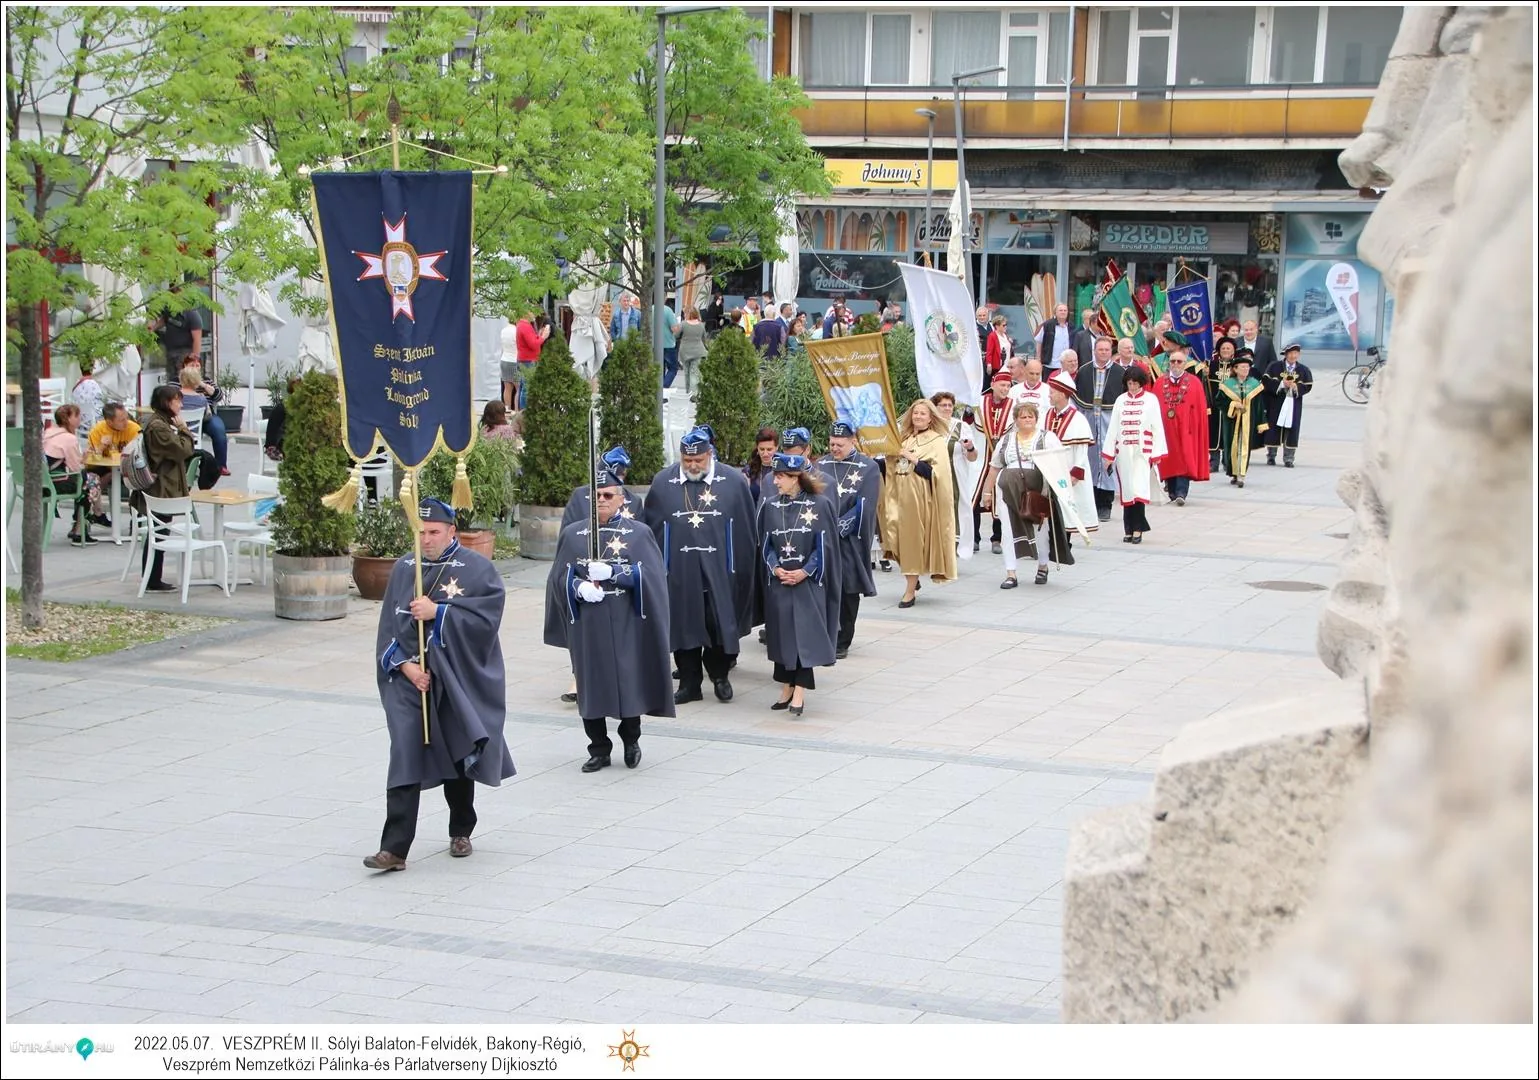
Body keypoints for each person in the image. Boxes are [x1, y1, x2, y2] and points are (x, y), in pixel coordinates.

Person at [365, 499, 516, 871]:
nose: (426, 540)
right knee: (404, 752)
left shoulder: (477, 569)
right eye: (420, 532)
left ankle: (461, 829)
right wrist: (406, 667)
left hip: (455, 678)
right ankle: (394, 849)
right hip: (409, 681)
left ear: (452, 531)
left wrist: (440, 613)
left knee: (457, 749)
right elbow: (388, 628)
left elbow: (486, 622)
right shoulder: (404, 567)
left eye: (434, 532)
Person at [544, 468, 674, 772]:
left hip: (626, 622)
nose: (601, 500)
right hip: (589, 624)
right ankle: (598, 748)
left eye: (607, 495)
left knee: (628, 681)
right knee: (590, 684)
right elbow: (559, 577)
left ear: (621, 499)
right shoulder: (573, 534)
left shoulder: (638, 533)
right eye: (596, 496)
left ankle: (631, 740)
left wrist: (616, 573)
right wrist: (578, 587)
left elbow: (652, 576)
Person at [642, 426, 759, 705]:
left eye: (698, 460)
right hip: (679, 571)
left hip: (721, 569)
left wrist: (741, 567)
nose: (693, 465)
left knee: (718, 623)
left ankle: (720, 675)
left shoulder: (732, 481)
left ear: (709, 454)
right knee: (683, 625)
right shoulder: (663, 482)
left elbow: (745, 529)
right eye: (687, 460)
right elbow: (652, 529)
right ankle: (689, 683)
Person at [757, 453, 840, 715]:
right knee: (783, 636)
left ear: (795, 478)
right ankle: (786, 686)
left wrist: (805, 572)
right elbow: (765, 544)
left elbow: (825, 545)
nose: (775, 481)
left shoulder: (820, 505)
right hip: (780, 581)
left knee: (804, 637)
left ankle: (800, 692)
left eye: (780, 477)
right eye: (775, 476)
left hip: (808, 583)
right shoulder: (770, 506)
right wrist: (775, 568)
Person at [980, 402, 1069, 587]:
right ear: (1016, 420)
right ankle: (1011, 573)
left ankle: (1042, 566)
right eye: (1023, 417)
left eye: (1030, 416)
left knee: (1040, 529)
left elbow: (1059, 464)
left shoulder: (1047, 438)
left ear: (1036, 419)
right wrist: (986, 492)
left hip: (1037, 490)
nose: (1027, 420)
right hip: (1007, 491)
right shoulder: (1006, 439)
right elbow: (995, 467)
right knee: (1007, 530)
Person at [879, 398, 957, 607]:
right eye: (915, 413)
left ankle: (910, 590)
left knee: (912, 541)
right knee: (894, 538)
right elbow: (890, 465)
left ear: (931, 418)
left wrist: (913, 459)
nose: (918, 416)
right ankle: (911, 576)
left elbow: (936, 474)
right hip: (897, 497)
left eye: (923, 413)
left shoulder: (936, 441)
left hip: (919, 500)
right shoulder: (903, 438)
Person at [816, 420, 880, 659]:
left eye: (840, 445)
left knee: (847, 588)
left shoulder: (868, 467)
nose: (834, 448)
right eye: (832, 444)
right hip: (823, 537)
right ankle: (825, 633)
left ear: (853, 441)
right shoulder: (821, 465)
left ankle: (843, 639)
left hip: (850, 540)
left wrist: (838, 528)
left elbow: (865, 505)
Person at [135, 384, 197, 592]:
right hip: (161, 486)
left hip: (164, 484)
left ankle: (153, 577)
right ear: (166, 402)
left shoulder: (160, 422)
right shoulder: (158, 426)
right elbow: (182, 450)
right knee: (158, 532)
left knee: (159, 531)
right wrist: (184, 429)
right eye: (177, 400)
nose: (180, 405)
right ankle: (152, 579)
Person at [1101, 366, 1166, 543]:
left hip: (1142, 452)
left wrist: (1156, 453)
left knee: (1139, 490)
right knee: (1128, 490)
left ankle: (1138, 529)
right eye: (1129, 383)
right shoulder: (1120, 400)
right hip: (1123, 452)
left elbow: (1157, 427)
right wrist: (1108, 455)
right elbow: (1113, 428)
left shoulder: (1151, 400)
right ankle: (1128, 529)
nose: (1132, 387)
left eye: (1135, 383)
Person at [1154, 335, 1212, 506]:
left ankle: (1181, 492)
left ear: (1185, 363)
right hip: (1166, 429)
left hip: (1187, 429)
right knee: (1168, 459)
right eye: (1173, 361)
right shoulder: (1160, 383)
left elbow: (1200, 409)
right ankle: (1172, 491)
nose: (1176, 365)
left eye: (1179, 362)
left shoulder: (1194, 383)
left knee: (1185, 458)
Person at [1076, 336, 1128, 523]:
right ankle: (1090, 502)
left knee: (1107, 459)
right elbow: (1078, 399)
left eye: (1107, 350)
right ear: (1094, 351)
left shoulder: (1120, 372)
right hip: (1089, 418)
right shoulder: (1084, 371)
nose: (1104, 353)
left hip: (1109, 419)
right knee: (1090, 460)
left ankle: (1105, 504)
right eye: (1100, 349)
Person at [929, 392, 983, 561]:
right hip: (931, 474)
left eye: (950, 405)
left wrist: (970, 447)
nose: (947, 408)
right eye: (943, 405)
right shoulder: (929, 426)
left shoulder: (961, 427)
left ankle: (952, 550)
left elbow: (972, 457)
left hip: (955, 476)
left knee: (955, 511)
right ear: (935, 408)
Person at [1045, 370, 1099, 537]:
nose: (1049, 395)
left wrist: (1076, 472)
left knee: (1068, 508)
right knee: (1052, 509)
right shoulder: (1046, 415)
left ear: (1062, 394)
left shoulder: (1078, 419)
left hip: (1068, 469)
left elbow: (1081, 450)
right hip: (1050, 469)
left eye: (1052, 392)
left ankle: (1064, 544)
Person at [42, 404, 105, 545]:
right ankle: (81, 528)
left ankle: (89, 519)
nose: (79, 418)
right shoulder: (69, 438)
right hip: (56, 483)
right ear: (68, 419)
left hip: (44, 482)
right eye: (76, 415)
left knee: (86, 481)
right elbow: (76, 467)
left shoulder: (48, 433)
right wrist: (85, 458)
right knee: (91, 481)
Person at [975, 371, 1015, 552]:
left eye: (1008, 386)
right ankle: (974, 537)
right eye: (1002, 385)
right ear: (993, 385)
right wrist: (968, 414)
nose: (1005, 389)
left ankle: (997, 538)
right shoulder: (979, 403)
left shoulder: (1013, 406)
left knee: (1000, 495)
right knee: (975, 493)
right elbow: (969, 424)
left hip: (1001, 456)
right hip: (981, 456)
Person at [1218, 350, 1268, 488]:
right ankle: (1234, 473)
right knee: (1232, 447)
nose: (1245, 369)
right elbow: (1219, 401)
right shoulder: (1227, 384)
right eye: (1242, 367)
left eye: (1247, 367)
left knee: (1244, 446)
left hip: (1248, 421)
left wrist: (1261, 423)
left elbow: (1259, 405)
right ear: (1235, 369)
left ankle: (1241, 475)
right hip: (1231, 421)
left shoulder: (1254, 384)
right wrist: (1233, 405)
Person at [1261, 343, 1313, 467]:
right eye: (1290, 353)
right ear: (1285, 354)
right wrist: (1281, 384)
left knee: (1292, 429)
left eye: (1295, 353)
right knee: (1273, 427)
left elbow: (1308, 385)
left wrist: (1296, 387)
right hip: (1276, 402)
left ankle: (1289, 458)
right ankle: (1271, 455)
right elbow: (1266, 381)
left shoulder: (1303, 369)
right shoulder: (1274, 366)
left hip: (1293, 403)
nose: (1292, 356)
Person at [149, 294, 202, 384]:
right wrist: (154, 328)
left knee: (183, 380)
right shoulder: (170, 311)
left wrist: (194, 360)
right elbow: (164, 319)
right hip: (171, 352)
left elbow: (197, 339)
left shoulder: (192, 315)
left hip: (184, 353)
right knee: (172, 380)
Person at [1206, 338, 1237, 472]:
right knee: (1213, 433)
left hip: (1230, 406)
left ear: (1233, 351)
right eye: (1223, 348)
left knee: (1229, 432)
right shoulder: (1211, 365)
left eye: (1228, 348)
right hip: (1214, 405)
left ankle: (1228, 461)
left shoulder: (1237, 366)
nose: (1225, 350)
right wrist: (1204, 374)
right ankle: (1213, 462)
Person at [263, 376, 300, 462]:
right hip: (275, 448)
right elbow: (275, 435)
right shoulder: (282, 408)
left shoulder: (296, 407)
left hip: (286, 443)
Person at [1034, 303, 1074, 374]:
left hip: (1065, 366)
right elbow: (1039, 342)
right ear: (1055, 312)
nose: (1063, 312)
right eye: (1060, 310)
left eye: (1065, 310)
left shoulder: (1071, 326)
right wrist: (1038, 359)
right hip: (1050, 365)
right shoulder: (1047, 325)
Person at [742, 427, 778, 504]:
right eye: (762, 449)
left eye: (769, 449)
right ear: (757, 448)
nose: (765, 454)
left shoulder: (784, 469)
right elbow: (743, 498)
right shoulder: (749, 470)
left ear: (776, 448)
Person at [677, 307, 708, 393]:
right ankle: (693, 394)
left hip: (685, 352)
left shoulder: (683, 324)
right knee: (694, 373)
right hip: (698, 352)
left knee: (686, 373)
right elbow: (704, 339)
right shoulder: (701, 325)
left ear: (687, 314)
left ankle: (688, 392)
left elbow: (676, 335)